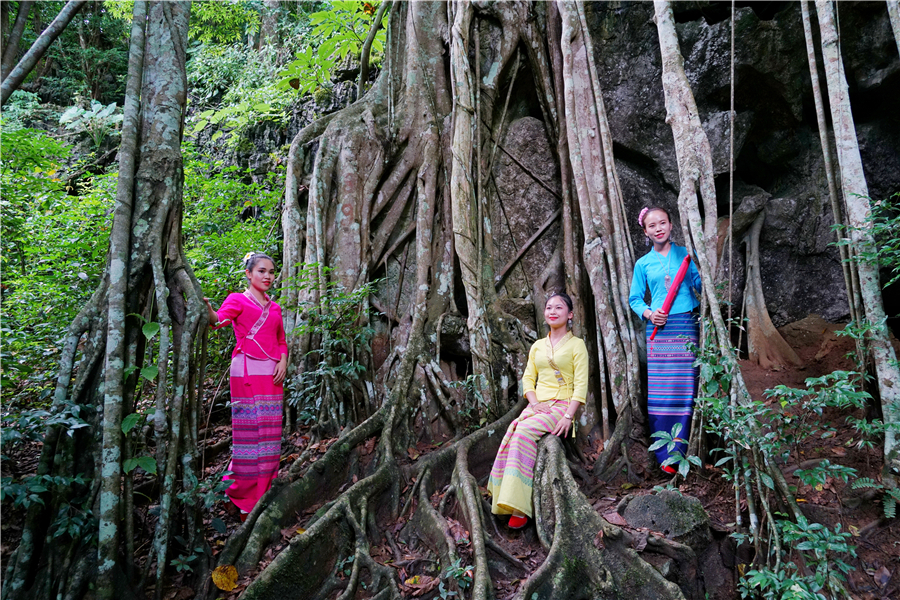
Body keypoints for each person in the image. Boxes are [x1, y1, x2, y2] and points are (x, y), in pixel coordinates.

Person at [487, 292, 588, 529]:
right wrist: (533, 403)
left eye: (559, 308)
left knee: (522, 433)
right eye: (549, 308)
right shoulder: (537, 346)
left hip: (562, 406)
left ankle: (521, 507)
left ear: (570, 315)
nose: (552, 311)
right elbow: (528, 379)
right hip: (538, 406)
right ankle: (506, 498)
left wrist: (568, 416)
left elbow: (581, 385)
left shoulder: (577, 345)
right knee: (513, 430)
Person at [204, 252, 288, 519]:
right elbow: (217, 320)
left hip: (273, 375)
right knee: (251, 434)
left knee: (271, 435)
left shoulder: (274, 307)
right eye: (261, 271)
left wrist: (284, 361)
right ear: (249, 274)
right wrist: (207, 310)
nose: (267, 276)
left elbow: (282, 340)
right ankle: (242, 495)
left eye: (271, 272)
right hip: (247, 373)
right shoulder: (237, 300)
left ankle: (265, 490)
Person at [628, 207, 702, 474]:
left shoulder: (686, 254)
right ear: (645, 232)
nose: (658, 228)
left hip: (684, 325)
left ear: (671, 225)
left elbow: (699, 284)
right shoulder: (643, 264)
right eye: (652, 225)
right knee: (661, 391)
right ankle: (664, 454)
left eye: (662, 223)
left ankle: (683, 451)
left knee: (685, 388)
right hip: (659, 332)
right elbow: (634, 299)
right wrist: (650, 314)